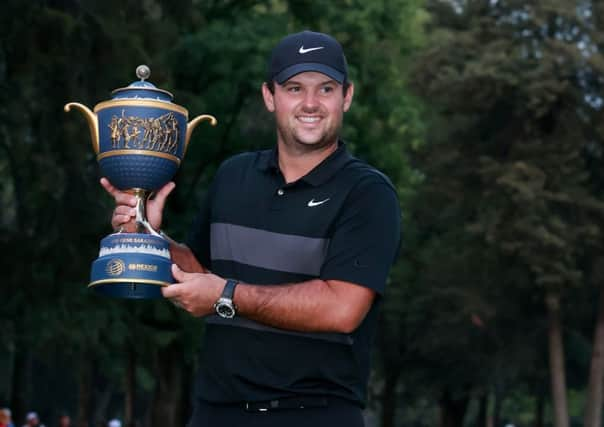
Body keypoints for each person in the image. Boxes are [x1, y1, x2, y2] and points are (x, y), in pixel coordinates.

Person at [102, 30, 401, 427]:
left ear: (346, 96)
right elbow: (199, 278)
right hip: (215, 412)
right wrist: (149, 237)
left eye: (325, 89)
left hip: (314, 416)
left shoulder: (367, 193)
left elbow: (342, 308)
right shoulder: (233, 175)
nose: (310, 103)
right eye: (294, 88)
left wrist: (228, 295)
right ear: (269, 96)